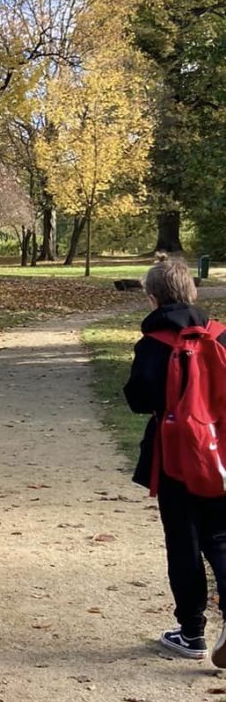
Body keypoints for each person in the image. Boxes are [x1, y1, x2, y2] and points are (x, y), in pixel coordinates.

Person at [123, 256, 226, 664]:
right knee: (220, 537)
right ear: (192, 292)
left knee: (184, 540)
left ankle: (191, 632)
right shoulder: (220, 335)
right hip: (221, 454)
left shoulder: (154, 343)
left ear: (153, 297)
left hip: (175, 455)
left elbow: (138, 398)